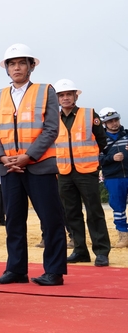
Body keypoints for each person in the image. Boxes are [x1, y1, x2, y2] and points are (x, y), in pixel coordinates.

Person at [0, 43, 67, 287]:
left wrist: (28, 156)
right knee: (13, 220)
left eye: (22, 63)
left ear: (31, 66)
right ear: (7, 69)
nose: (17, 68)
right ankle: (16, 269)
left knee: (51, 219)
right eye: (12, 64)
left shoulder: (46, 91)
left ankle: (54, 271)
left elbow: (51, 129)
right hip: (9, 168)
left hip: (39, 166)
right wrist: (2, 158)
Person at [54, 79, 111, 267]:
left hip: (86, 171)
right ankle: (80, 250)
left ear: (75, 96)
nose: (65, 98)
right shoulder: (53, 118)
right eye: (61, 95)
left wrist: (94, 162)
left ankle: (101, 251)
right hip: (64, 172)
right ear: (57, 98)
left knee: (94, 211)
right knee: (71, 213)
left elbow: (101, 141)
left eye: (68, 94)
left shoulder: (89, 114)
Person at [100, 107, 128, 248]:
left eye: (115, 120)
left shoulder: (127, 135)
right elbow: (96, 159)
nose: (114, 123)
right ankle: (123, 235)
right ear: (104, 123)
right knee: (118, 207)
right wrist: (112, 158)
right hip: (113, 178)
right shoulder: (100, 140)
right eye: (110, 121)